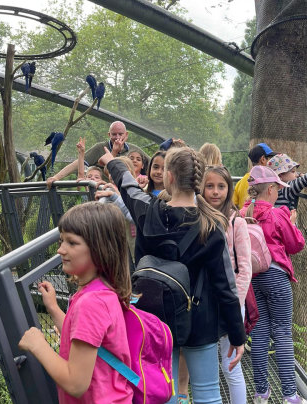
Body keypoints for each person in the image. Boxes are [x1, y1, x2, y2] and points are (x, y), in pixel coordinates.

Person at [101, 146, 246, 404]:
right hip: (200, 320)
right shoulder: (211, 226)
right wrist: (237, 335)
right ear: (199, 181)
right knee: (208, 393)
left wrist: (113, 162)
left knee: (163, 390)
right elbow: (226, 286)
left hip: (156, 319)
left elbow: (129, 187)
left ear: (168, 177)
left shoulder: (148, 212)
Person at [18, 202, 134, 404]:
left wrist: (39, 345)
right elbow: (84, 340)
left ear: (100, 248)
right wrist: (53, 308)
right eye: (62, 240)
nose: (60, 250)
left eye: (72, 243)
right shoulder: (100, 290)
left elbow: (76, 384)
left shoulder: (91, 303)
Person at [239, 166, 306, 404]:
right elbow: (296, 245)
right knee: (283, 334)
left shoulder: (241, 213)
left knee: (259, 334)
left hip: (252, 280)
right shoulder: (277, 214)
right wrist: (293, 223)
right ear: (269, 189)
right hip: (276, 278)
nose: (279, 193)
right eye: (277, 188)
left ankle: (261, 392)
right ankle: (290, 395)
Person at [202, 165, 252, 404]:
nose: (215, 192)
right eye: (209, 186)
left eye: (221, 187)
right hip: (204, 301)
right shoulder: (197, 220)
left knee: (231, 365)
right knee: (206, 364)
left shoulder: (236, 223)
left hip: (230, 301)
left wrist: (235, 304)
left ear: (229, 190)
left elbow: (245, 268)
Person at [46, 121, 147, 187]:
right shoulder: (100, 148)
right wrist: (56, 177)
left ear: (126, 134)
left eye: (120, 134)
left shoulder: (134, 150)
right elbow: (78, 163)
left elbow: (153, 164)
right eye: (114, 134)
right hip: (104, 192)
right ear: (109, 135)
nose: (117, 137)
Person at [233, 143, 276, 209]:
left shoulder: (240, 183)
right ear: (263, 159)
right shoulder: (265, 182)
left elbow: (234, 205)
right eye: (270, 159)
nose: (272, 163)